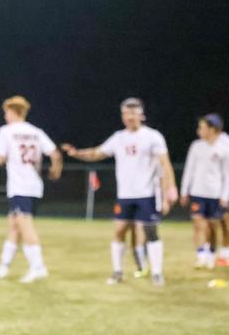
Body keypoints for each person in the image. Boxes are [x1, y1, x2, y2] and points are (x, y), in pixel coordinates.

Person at [62, 98, 177, 286]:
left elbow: (165, 164)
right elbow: (97, 153)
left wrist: (169, 190)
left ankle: (157, 273)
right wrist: (76, 153)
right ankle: (117, 272)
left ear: (141, 115)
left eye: (133, 113)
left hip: (147, 193)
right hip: (125, 195)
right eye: (126, 113)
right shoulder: (118, 138)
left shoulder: (152, 136)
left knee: (150, 231)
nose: (129, 117)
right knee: (119, 230)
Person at [0, 95, 62, 283]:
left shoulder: (6, 131)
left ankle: (38, 267)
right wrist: (55, 171)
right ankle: (4, 266)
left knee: (25, 226)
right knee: (14, 226)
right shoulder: (36, 131)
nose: (5, 116)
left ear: (13, 112)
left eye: (6, 112)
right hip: (34, 186)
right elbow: (56, 154)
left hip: (19, 186)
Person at [180, 114, 229, 268]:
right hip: (198, 192)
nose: (198, 131)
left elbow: (228, 173)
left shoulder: (226, 145)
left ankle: (220, 254)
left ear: (212, 129)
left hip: (217, 193)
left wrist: (225, 195)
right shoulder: (196, 146)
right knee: (198, 223)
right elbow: (189, 169)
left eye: (202, 128)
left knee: (219, 225)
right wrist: (184, 190)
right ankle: (201, 255)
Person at [211, 129, 229, 266]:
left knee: (224, 222)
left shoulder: (226, 142)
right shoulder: (203, 143)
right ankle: (209, 254)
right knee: (210, 223)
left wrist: (225, 194)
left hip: (225, 189)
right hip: (209, 190)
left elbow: (228, 168)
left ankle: (226, 254)